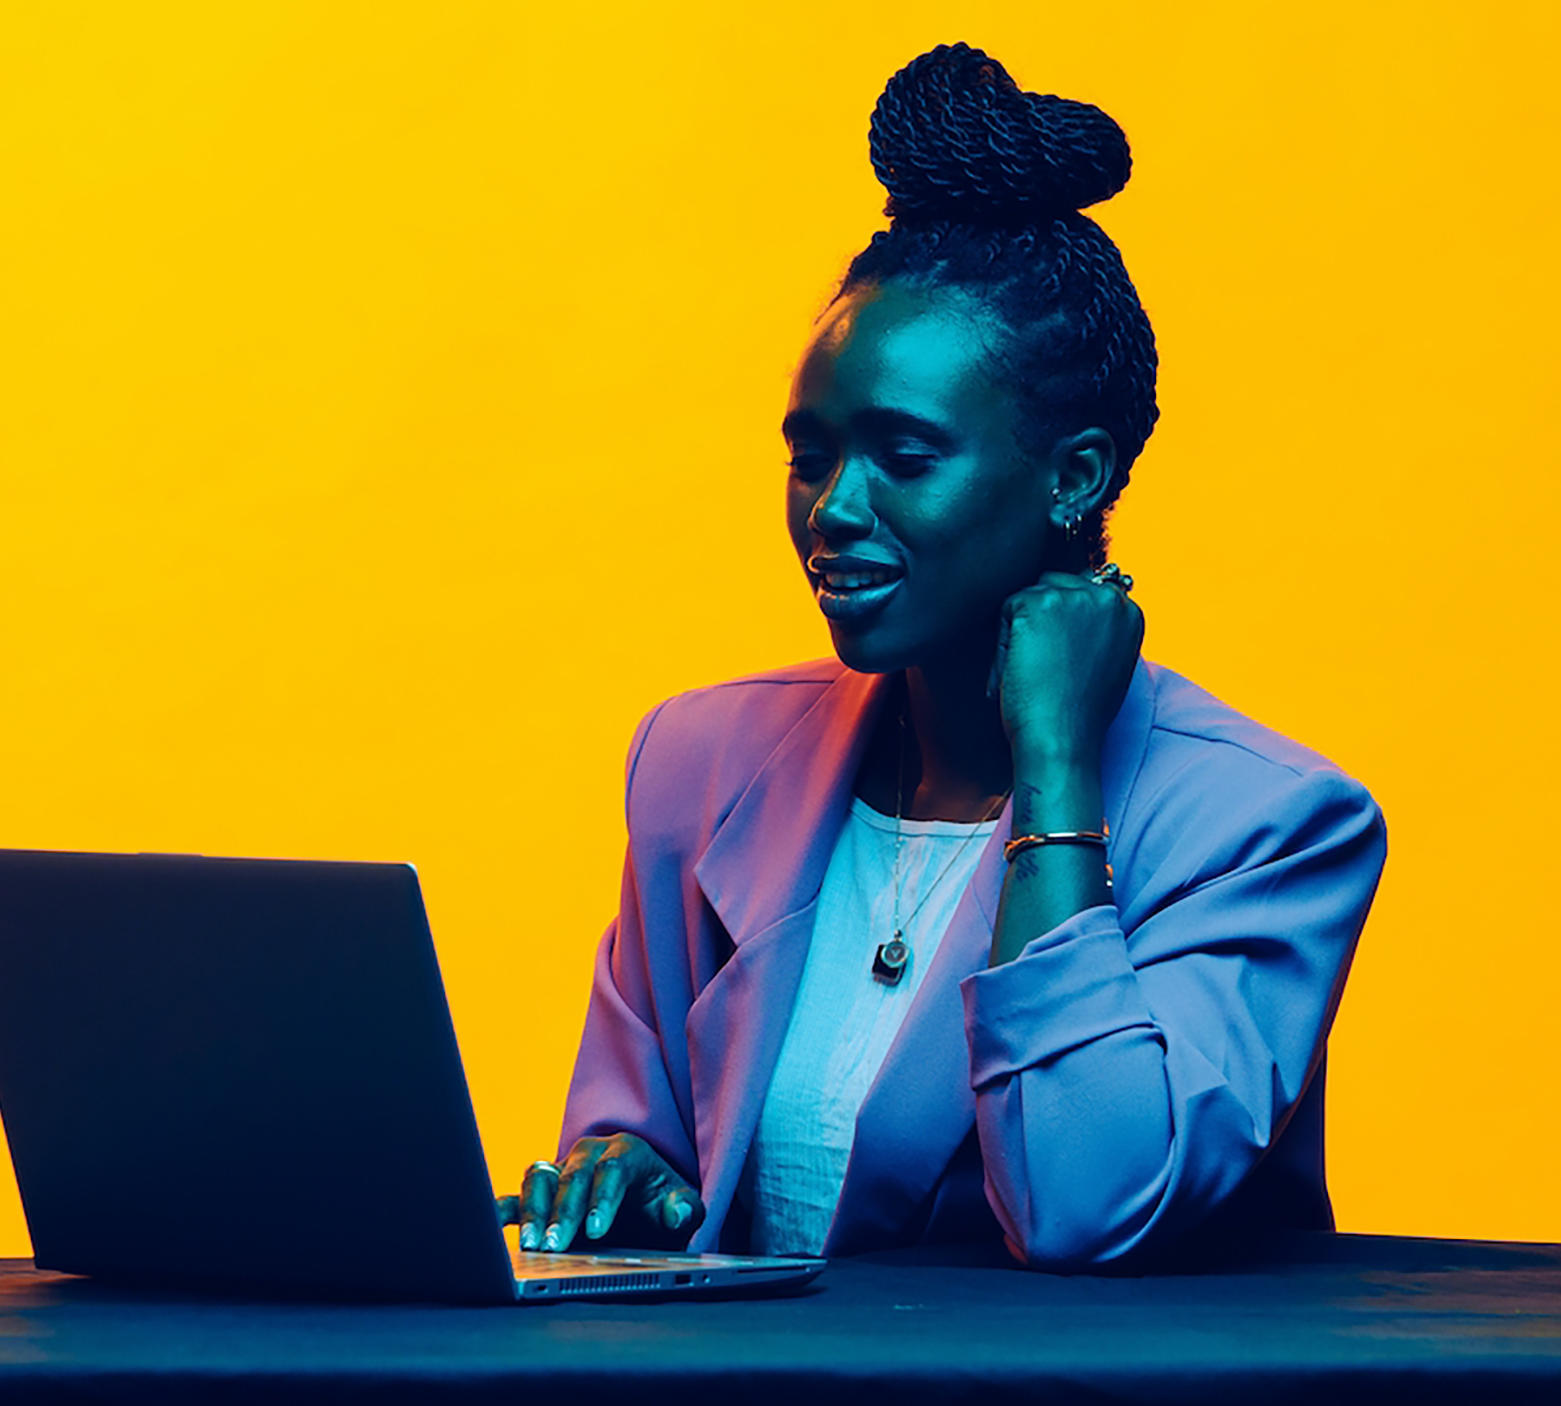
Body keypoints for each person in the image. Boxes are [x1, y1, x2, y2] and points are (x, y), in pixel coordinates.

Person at [495, 43, 1387, 1272]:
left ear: (1074, 474)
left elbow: (1087, 1202)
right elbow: (630, 1138)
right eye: (811, 454)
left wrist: (1057, 774)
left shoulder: (1268, 824)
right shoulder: (702, 761)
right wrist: (626, 1177)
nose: (834, 509)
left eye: (903, 456)